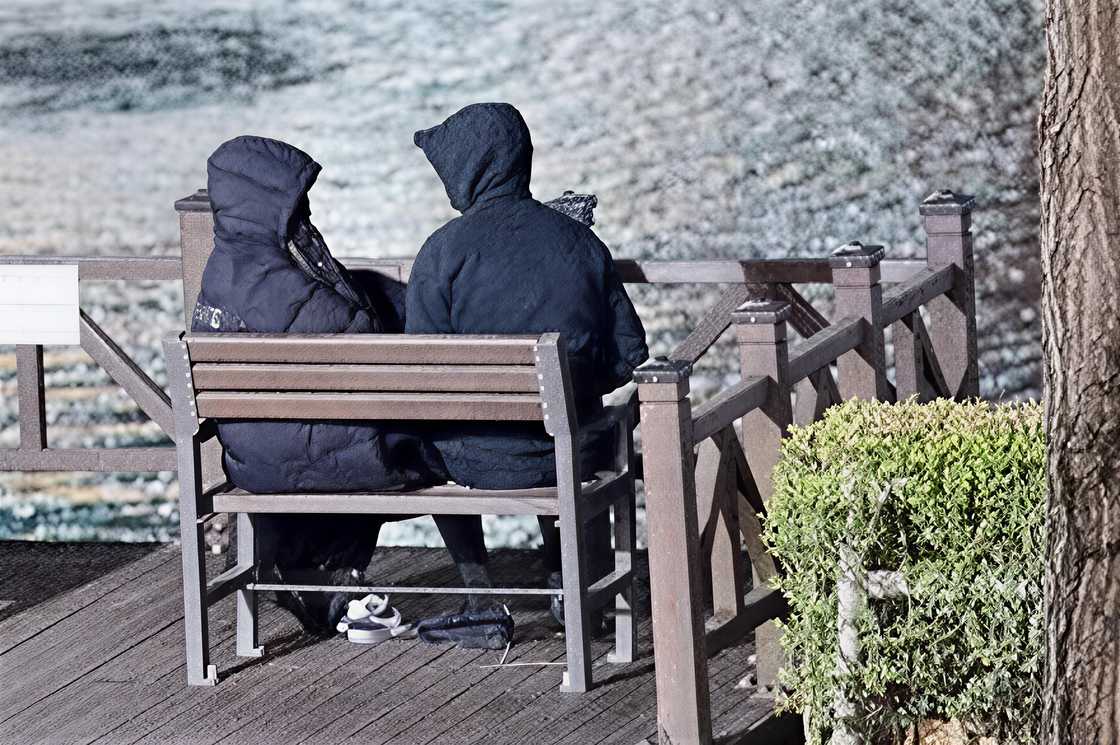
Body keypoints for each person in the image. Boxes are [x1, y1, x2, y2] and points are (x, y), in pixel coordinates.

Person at [194, 135, 495, 634]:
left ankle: (322, 578)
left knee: (359, 436)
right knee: (440, 440)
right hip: (328, 464)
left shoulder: (219, 276)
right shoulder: (286, 278)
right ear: (270, 206)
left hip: (257, 464)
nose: (306, 211)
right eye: (297, 202)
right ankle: (481, 592)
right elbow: (359, 333)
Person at [407, 103, 649, 619]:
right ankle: (568, 577)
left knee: (427, 437)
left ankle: (479, 591)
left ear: (466, 171)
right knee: (573, 420)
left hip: (471, 460)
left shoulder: (442, 254)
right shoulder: (579, 243)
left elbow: (421, 374)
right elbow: (629, 358)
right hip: (569, 454)